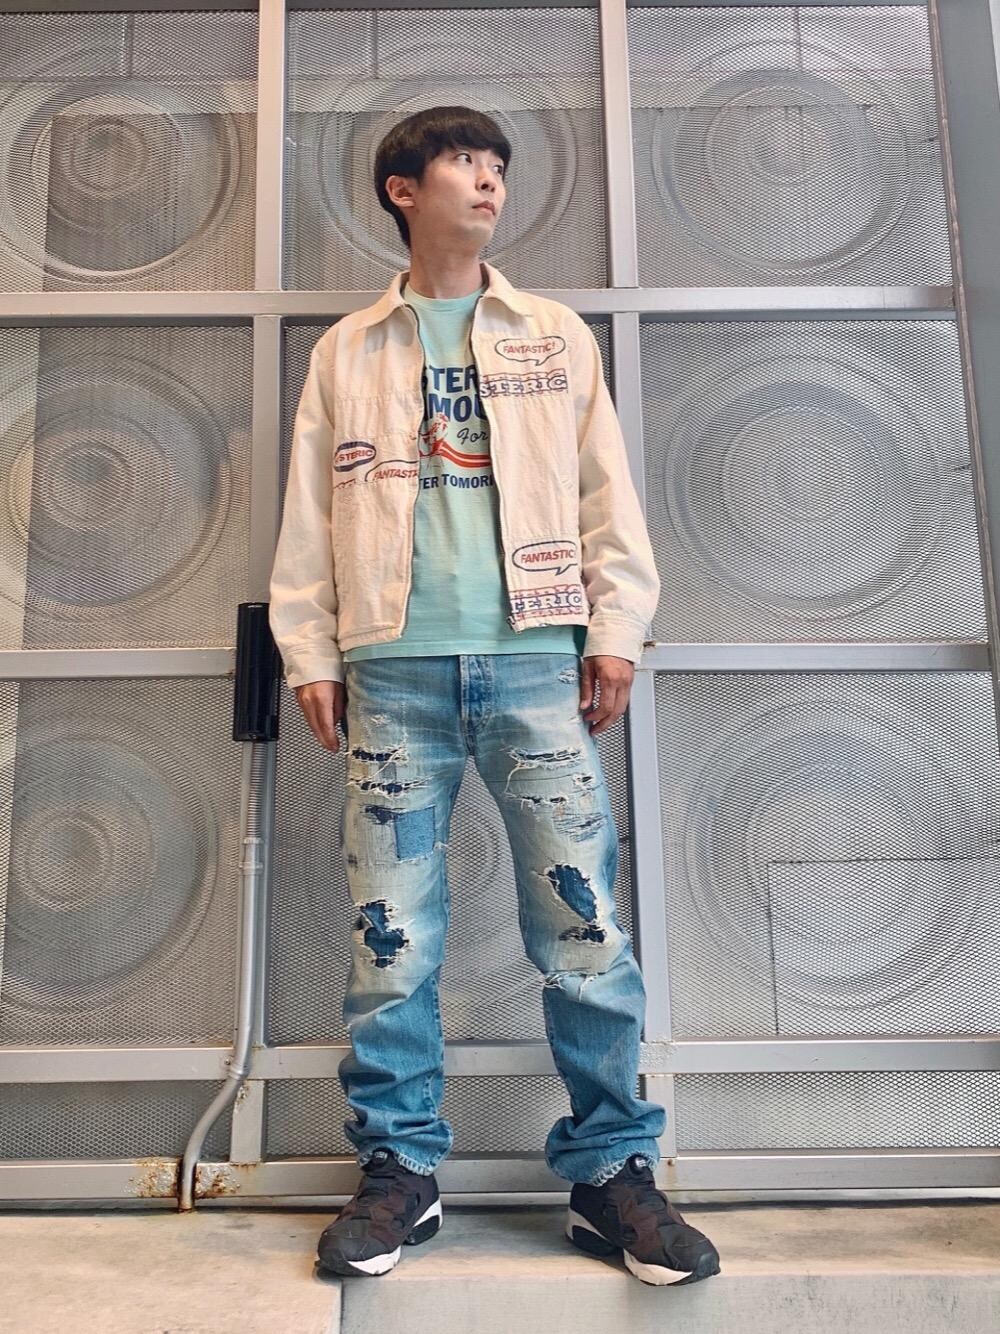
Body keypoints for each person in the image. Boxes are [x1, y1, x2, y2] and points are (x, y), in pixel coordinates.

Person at [268, 105, 720, 1288]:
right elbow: (309, 510)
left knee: (583, 931)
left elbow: (606, 494)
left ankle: (612, 1173)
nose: (490, 182)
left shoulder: (553, 335)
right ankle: (399, 1172)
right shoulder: (348, 350)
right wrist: (309, 649)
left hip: (532, 662)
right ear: (401, 188)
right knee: (391, 940)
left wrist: (614, 629)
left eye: (499, 167)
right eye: (466, 162)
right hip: (392, 667)